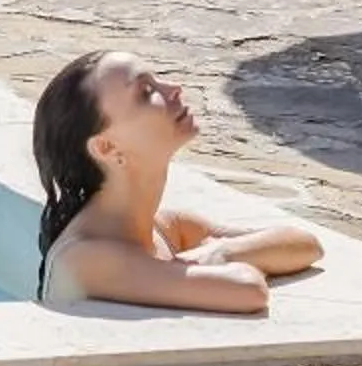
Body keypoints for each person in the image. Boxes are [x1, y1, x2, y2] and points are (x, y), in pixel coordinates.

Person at [33, 48, 323, 313]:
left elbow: (304, 244)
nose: (173, 89)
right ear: (107, 148)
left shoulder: (165, 228)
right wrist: (214, 258)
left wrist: (222, 250)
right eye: (146, 92)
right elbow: (247, 290)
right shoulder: (86, 257)